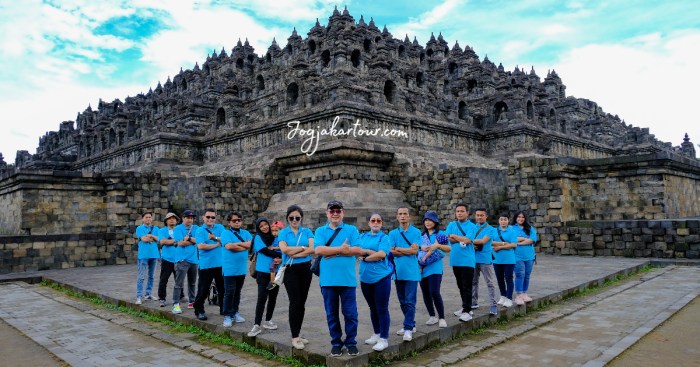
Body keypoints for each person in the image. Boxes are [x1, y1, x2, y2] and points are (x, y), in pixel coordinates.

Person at [314, 200, 362, 357]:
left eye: (338, 210)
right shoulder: (321, 231)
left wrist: (333, 252)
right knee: (331, 314)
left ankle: (351, 342)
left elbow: (357, 249)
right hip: (328, 281)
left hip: (347, 281)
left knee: (351, 314)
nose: (335, 213)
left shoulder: (351, 229)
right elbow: (319, 249)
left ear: (343, 212)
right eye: (332, 211)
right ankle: (336, 342)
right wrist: (341, 249)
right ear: (327, 213)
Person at [278, 205, 315, 350]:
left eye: (297, 218)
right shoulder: (283, 233)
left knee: (302, 302)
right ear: (287, 218)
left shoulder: (306, 231)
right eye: (291, 218)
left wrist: (297, 253)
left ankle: (298, 334)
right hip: (290, 270)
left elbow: (313, 249)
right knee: (295, 301)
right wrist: (303, 248)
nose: (294, 220)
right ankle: (294, 336)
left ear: (301, 218)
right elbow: (284, 249)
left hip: (305, 269)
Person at [358, 212, 392, 352]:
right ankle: (377, 333)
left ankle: (384, 338)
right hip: (365, 279)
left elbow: (382, 254)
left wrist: (366, 257)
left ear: (381, 223)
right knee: (373, 308)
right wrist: (369, 251)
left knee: (382, 308)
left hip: (381, 278)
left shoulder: (385, 238)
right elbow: (358, 251)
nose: (376, 222)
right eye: (373, 220)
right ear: (369, 223)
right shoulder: (362, 236)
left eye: (378, 220)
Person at [388, 206, 421, 342]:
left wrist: (399, 249)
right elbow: (391, 251)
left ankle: (407, 328)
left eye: (405, 214)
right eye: (400, 214)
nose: (402, 216)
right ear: (397, 216)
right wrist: (406, 250)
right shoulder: (392, 233)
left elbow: (414, 251)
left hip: (412, 271)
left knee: (410, 300)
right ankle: (410, 323)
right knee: (402, 301)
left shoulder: (416, 232)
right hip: (397, 271)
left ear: (409, 216)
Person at [247, 218, 282, 337]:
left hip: (275, 273)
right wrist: (278, 253)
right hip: (262, 273)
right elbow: (264, 251)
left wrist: (281, 254)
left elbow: (282, 248)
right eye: (261, 226)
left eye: (265, 225)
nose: (264, 227)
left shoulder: (275, 236)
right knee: (262, 298)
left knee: (273, 297)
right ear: (258, 228)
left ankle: (268, 320)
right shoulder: (258, 237)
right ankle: (256, 324)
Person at [192, 208, 225, 321]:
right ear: (203, 217)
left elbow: (225, 240)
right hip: (206, 265)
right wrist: (216, 244)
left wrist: (216, 240)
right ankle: (199, 309)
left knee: (222, 288)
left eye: (213, 217)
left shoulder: (220, 228)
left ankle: (223, 308)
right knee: (203, 289)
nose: (210, 219)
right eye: (208, 217)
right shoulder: (200, 231)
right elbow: (201, 246)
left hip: (220, 263)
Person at [419, 211, 450, 328]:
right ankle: (432, 316)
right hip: (422, 268)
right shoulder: (421, 236)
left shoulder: (440, 234)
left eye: (430, 220)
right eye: (426, 220)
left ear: (435, 222)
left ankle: (441, 317)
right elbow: (417, 249)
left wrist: (438, 246)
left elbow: (448, 248)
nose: (427, 222)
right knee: (425, 293)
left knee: (434, 292)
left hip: (435, 268)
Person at [220, 211, 252, 327]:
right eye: (234, 220)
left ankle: (235, 312)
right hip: (229, 268)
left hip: (241, 268)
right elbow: (229, 246)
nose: (237, 222)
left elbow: (251, 245)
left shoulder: (246, 232)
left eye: (239, 220)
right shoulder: (225, 233)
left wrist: (238, 245)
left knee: (237, 292)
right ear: (229, 222)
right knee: (229, 292)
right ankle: (227, 315)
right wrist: (244, 245)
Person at [446, 203, 476, 322]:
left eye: (462, 211)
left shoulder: (472, 226)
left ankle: (468, 310)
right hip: (455, 260)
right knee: (460, 285)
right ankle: (465, 306)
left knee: (467, 285)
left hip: (467, 260)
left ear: (467, 213)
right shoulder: (451, 224)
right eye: (457, 211)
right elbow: (447, 238)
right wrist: (458, 238)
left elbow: (468, 240)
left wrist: (454, 236)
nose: (459, 213)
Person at [471, 208, 499, 316]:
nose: (479, 217)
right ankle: (473, 302)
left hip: (485, 259)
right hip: (473, 259)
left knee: (490, 282)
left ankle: (493, 305)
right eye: (477, 215)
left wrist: (469, 241)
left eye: (482, 215)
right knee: (473, 282)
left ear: (486, 216)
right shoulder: (473, 228)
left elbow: (483, 241)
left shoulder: (490, 229)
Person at [171, 209, 199, 314]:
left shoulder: (196, 228)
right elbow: (180, 243)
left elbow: (199, 241)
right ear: (183, 218)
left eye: (191, 218)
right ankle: (176, 304)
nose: (190, 220)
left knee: (192, 283)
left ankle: (192, 301)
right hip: (182, 260)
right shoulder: (178, 228)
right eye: (188, 218)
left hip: (194, 260)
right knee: (179, 283)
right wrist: (192, 241)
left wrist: (189, 239)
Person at [511, 211, 538, 305]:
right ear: (515, 218)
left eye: (522, 217)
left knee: (527, 275)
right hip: (517, 256)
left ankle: (524, 293)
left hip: (529, 256)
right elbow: (511, 238)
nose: (520, 219)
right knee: (519, 274)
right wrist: (524, 239)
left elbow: (533, 239)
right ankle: (518, 294)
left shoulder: (530, 228)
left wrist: (519, 242)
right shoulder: (511, 228)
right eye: (519, 217)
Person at [492, 212, 517, 308]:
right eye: (501, 219)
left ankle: (509, 298)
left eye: (505, 219)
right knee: (499, 278)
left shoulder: (512, 231)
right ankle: (503, 295)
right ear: (498, 221)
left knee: (509, 278)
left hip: (509, 259)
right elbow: (491, 242)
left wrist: (499, 247)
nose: (503, 221)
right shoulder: (494, 231)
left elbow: (513, 244)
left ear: (508, 220)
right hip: (497, 259)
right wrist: (503, 244)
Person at [135, 212, 160, 304]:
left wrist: (151, 236)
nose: (148, 219)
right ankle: (139, 296)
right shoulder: (139, 228)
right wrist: (151, 238)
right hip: (143, 256)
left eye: (150, 217)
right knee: (141, 276)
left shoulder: (156, 228)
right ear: (143, 219)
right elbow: (144, 239)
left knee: (151, 276)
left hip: (154, 255)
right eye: (146, 217)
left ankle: (148, 294)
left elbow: (159, 239)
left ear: (151, 219)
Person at [157, 212, 179, 307]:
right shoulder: (162, 231)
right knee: (163, 279)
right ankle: (162, 298)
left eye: (174, 218)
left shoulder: (179, 230)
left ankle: (180, 296)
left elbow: (184, 240)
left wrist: (169, 241)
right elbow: (162, 241)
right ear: (166, 221)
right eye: (169, 218)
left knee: (179, 280)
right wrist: (176, 241)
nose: (172, 219)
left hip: (178, 259)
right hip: (167, 259)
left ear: (177, 221)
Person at [266, 221, 284, 290]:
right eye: (273, 231)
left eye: (276, 231)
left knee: (272, 267)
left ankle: (272, 282)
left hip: (279, 255)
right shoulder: (275, 238)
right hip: (276, 255)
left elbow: (282, 246)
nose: (274, 233)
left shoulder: (281, 238)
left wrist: (273, 248)